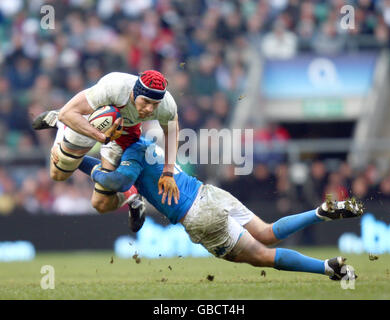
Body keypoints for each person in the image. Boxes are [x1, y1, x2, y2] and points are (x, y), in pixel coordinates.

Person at [73, 137, 363, 281]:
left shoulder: (128, 160)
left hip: (197, 216)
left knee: (262, 256)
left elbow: (114, 176)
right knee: (267, 232)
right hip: (209, 193)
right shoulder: (145, 141)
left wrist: (82, 163)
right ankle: (319, 213)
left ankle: (327, 269)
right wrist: (78, 158)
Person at [32, 70, 180, 227]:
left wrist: (168, 172)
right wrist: (101, 137)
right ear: (135, 93)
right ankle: (60, 125)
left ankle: (132, 195)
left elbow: (171, 131)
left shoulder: (166, 105)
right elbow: (67, 113)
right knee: (58, 175)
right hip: (90, 121)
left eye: (154, 104)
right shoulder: (113, 87)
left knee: (101, 204)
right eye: (145, 102)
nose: (150, 109)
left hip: (126, 132)